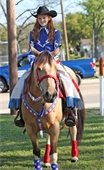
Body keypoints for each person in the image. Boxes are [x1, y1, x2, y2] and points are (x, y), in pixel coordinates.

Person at [9, 6, 82, 127]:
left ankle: (70, 109)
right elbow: (31, 48)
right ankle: (20, 110)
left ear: (49, 18)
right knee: (22, 80)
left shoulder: (56, 32)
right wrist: (40, 55)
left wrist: (49, 56)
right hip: (37, 61)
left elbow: (57, 49)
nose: (42, 20)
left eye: (44, 17)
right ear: (37, 19)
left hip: (52, 60)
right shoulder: (33, 33)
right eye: (39, 18)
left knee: (65, 78)